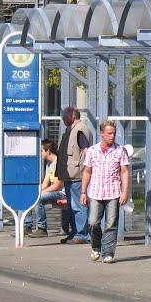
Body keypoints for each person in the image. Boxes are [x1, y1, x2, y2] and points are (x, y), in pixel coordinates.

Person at [80, 119, 130, 263]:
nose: (112, 136)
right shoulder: (92, 151)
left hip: (113, 193)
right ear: (102, 133)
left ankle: (108, 253)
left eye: (113, 133)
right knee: (93, 222)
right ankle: (96, 247)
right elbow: (87, 172)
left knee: (111, 224)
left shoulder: (120, 151)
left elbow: (125, 171)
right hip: (95, 192)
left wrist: (125, 191)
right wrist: (83, 192)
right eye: (109, 133)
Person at [56, 106, 91, 245]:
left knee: (78, 206)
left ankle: (81, 235)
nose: (63, 120)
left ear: (71, 116)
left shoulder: (80, 130)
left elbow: (86, 151)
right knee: (71, 206)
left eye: (64, 117)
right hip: (70, 175)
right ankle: (74, 233)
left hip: (77, 174)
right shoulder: (70, 130)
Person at [24, 139, 66, 237]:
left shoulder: (58, 163)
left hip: (61, 193)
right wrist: (36, 191)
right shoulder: (49, 164)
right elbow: (45, 183)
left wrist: (39, 194)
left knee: (38, 198)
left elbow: (56, 185)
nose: (40, 153)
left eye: (42, 151)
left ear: (48, 151)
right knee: (29, 196)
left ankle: (42, 228)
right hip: (53, 191)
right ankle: (27, 226)